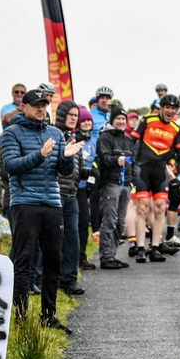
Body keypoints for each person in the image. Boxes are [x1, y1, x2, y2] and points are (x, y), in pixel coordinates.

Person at [0, 89, 82, 332]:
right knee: (23, 260)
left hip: (53, 204)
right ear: (23, 107)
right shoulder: (11, 133)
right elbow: (11, 167)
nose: (41, 109)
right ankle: (21, 318)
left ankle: (49, 315)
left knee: (53, 260)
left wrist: (66, 158)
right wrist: (39, 155)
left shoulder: (55, 133)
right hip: (25, 203)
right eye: (36, 105)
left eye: (44, 105)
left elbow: (64, 172)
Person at [129, 94, 180, 263]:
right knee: (142, 208)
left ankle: (154, 248)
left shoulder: (175, 128)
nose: (170, 111)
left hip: (160, 170)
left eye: (173, 109)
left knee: (161, 208)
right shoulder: (147, 120)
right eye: (167, 107)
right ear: (161, 108)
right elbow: (131, 140)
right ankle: (140, 249)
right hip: (143, 168)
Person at [95, 107, 136, 269]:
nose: (120, 121)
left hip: (126, 186)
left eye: (123, 119)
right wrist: (115, 160)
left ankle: (112, 255)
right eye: (117, 118)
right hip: (110, 185)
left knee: (120, 223)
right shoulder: (105, 137)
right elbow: (104, 158)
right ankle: (105, 257)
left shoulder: (128, 139)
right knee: (109, 221)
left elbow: (132, 162)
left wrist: (131, 182)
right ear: (112, 120)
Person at [55, 101, 88, 296]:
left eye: (76, 115)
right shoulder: (53, 135)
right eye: (71, 114)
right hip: (55, 194)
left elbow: (78, 168)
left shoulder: (74, 138)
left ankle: (69, 280)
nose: (74, 118)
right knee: (53, 240)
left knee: (72, 239)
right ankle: (51, 279)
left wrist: (90, 172)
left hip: (71, 195)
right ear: (61, 115)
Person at [75, 107, 97, 270]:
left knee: (84, 222)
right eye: (84, 121)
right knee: (72, 225)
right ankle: (71, 257)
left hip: (84, 188)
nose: (87, 123)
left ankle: (82, 256)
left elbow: (96, 161)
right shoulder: (74, 139)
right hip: (71, 188)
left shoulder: (93, 140)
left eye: (89, 120)